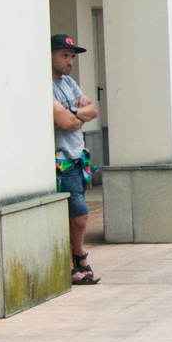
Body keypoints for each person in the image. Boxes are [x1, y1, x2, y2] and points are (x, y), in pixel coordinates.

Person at [51, 34, 101, 286]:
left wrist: (71, 111)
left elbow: (93, 110)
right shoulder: (44, 85)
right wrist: (77, 114)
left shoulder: (69, 82)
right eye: (64, 55)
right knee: (79, 215)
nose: (70, 61)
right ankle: (79, 256)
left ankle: (74, 263)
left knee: (75, 215)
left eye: (71, 56)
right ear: (49, 56)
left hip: (78, 156)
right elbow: (68, 123)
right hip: (62, 161)